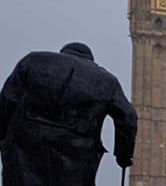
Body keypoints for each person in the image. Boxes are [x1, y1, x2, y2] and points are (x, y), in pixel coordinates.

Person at [0, 42, 137, 186]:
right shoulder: (108, 81)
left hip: (24, 156)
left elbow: (6, 100)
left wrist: (3, 137)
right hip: (76, 163)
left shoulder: (32, 61)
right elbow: (128, 117)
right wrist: (123, 156)